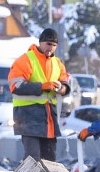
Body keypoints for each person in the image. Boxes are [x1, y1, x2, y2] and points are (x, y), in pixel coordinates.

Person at [8, 28, 71, 161]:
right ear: (41, 42)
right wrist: (42, 86)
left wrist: (61, 88)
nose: (51, 48)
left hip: (49, 118)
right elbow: (16, 86)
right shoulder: (25, 60)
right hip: (28, 117)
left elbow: (65, 84)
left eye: (54, 45)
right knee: (33, 158)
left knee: (50, 159)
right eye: (48, 44)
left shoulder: (58, 63)